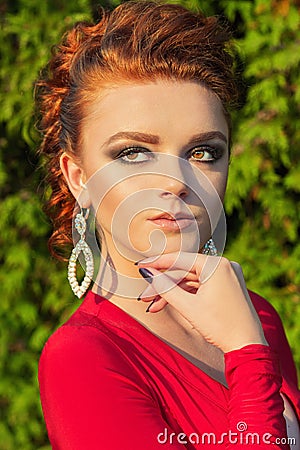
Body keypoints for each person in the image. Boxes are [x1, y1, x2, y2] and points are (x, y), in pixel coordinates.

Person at [36, 1, 300, 449]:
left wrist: (249, 338)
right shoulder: (82, 359)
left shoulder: (256, 316)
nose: (176, 183)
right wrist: (246, 355)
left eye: (203, 153)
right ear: (78, 176)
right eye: (133, 152)